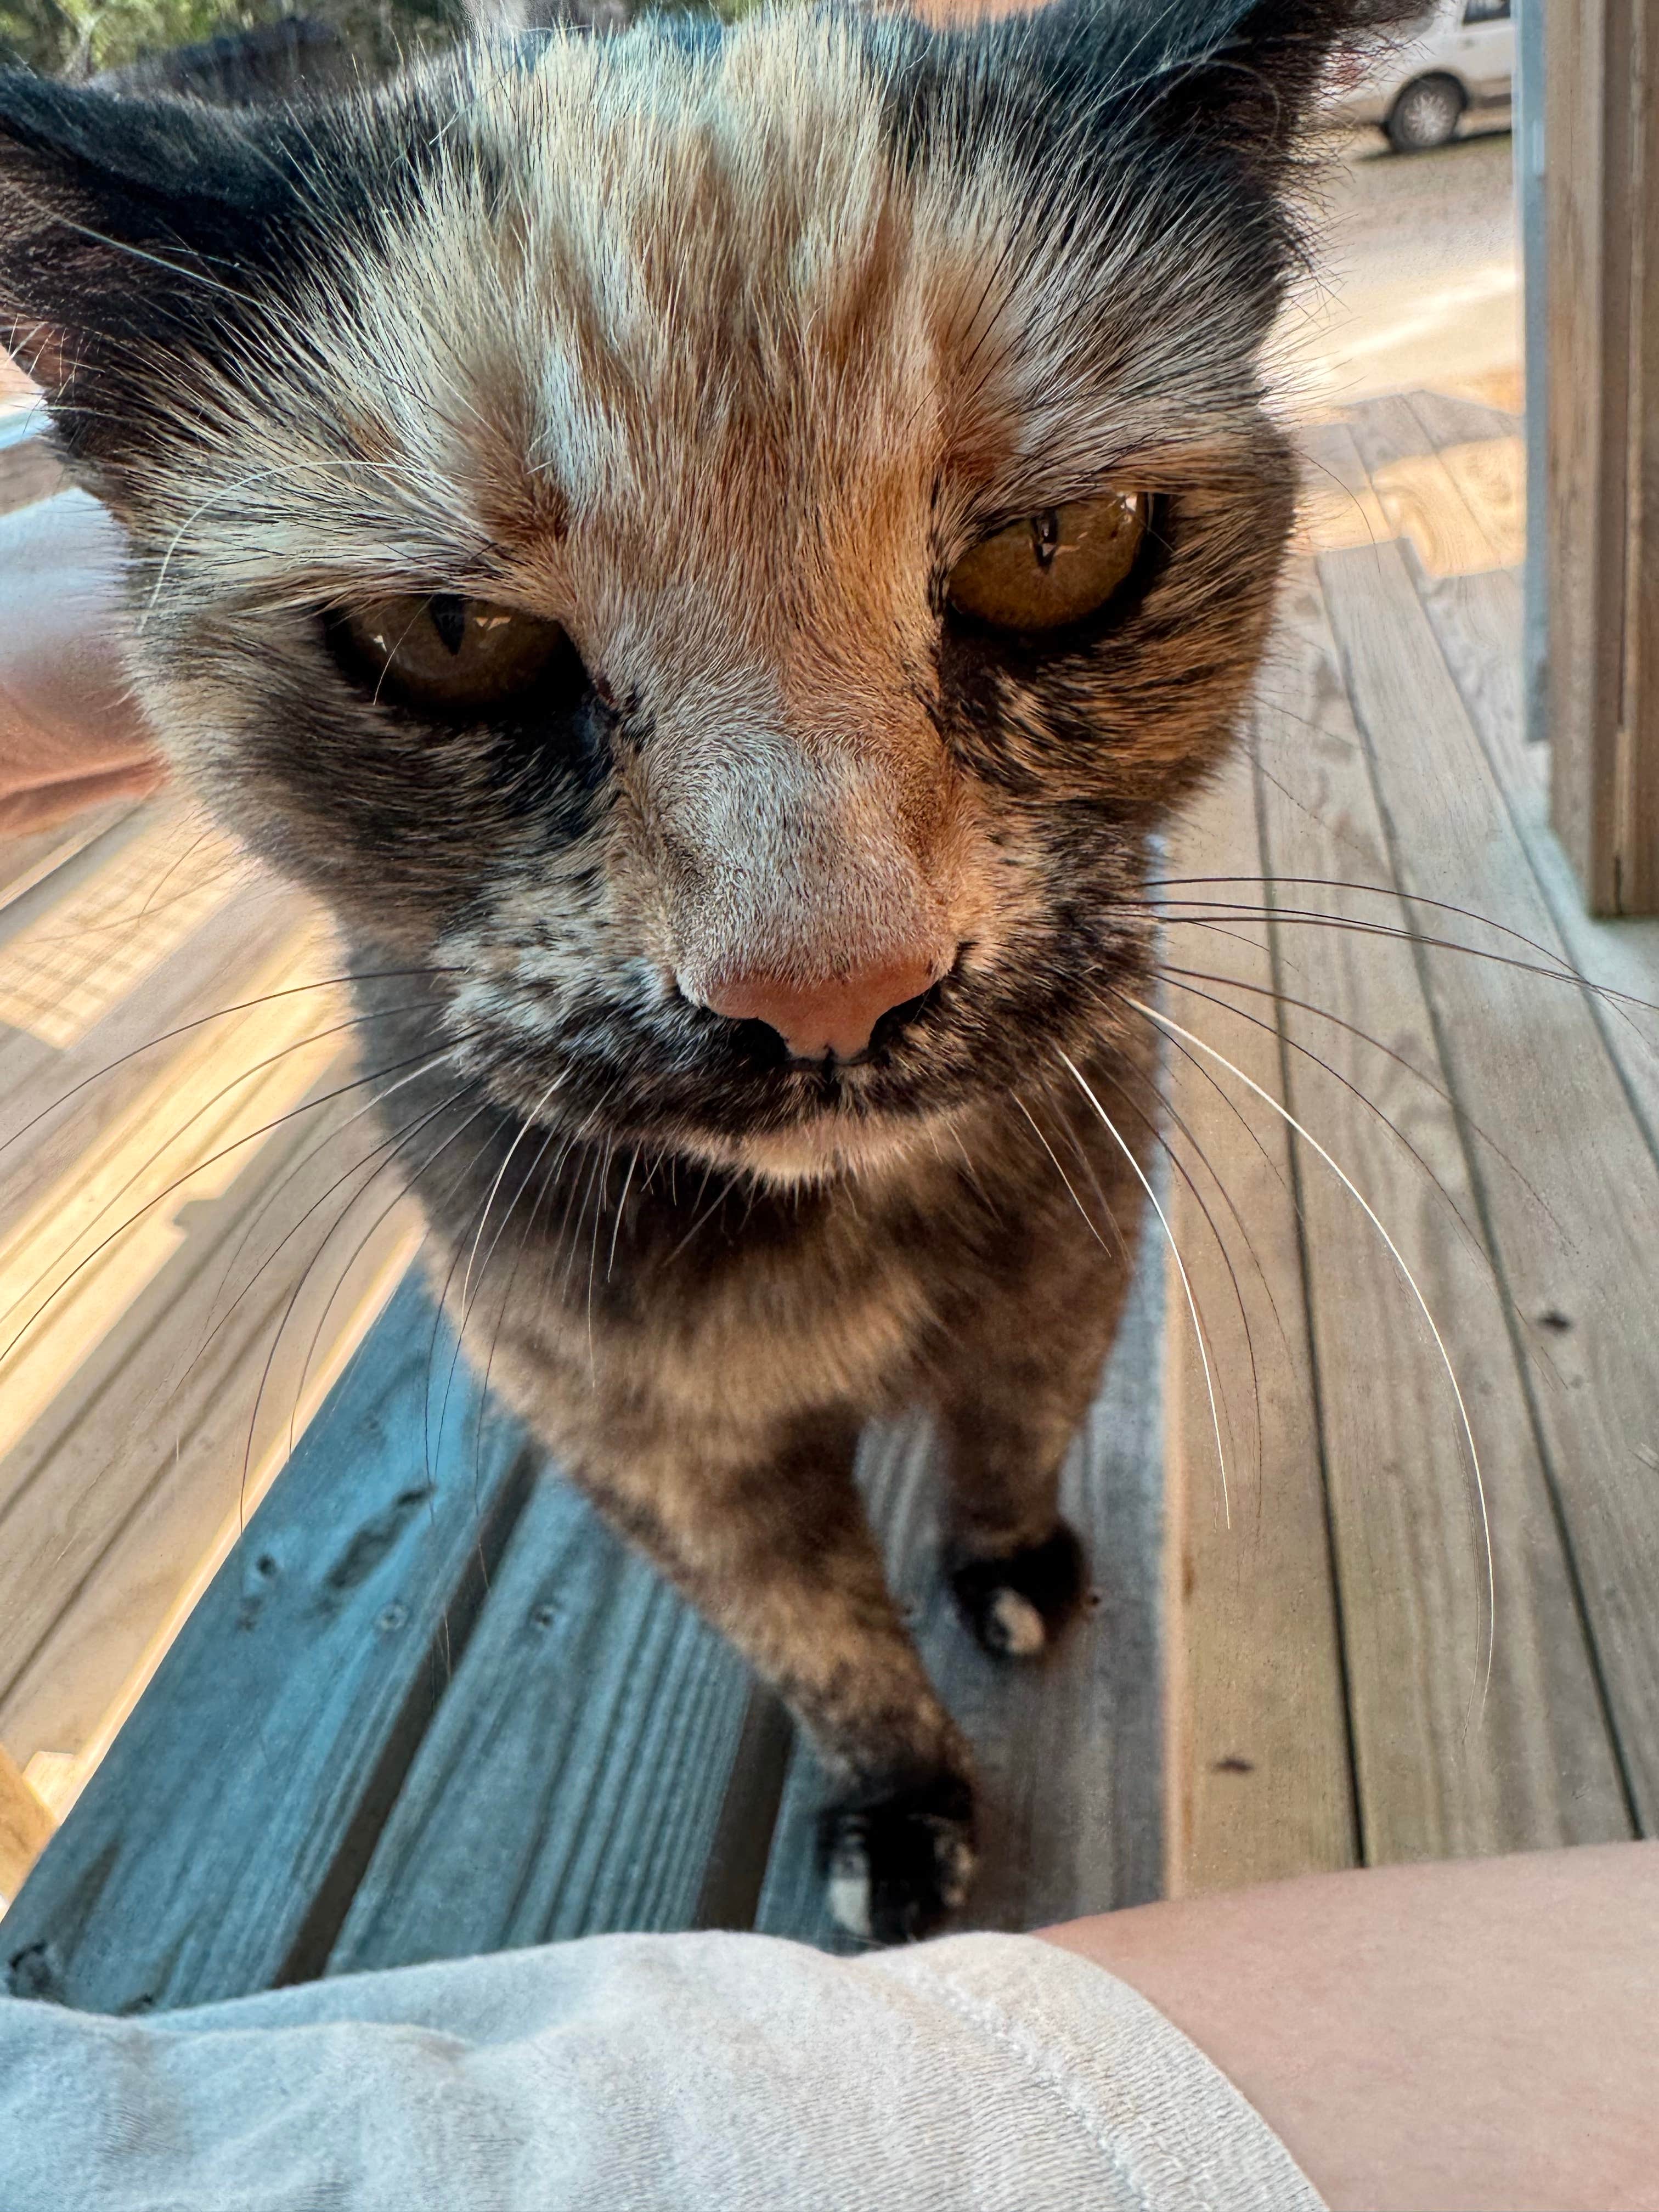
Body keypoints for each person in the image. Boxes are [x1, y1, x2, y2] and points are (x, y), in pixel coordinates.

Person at [3, 479, 1656, 2212]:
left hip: (1023, 1116)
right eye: (457, 630)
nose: (827, 961)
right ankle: (885, 1745)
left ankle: (1004, 1521)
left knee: (1044, 1340)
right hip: (546, 1185)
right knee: (688, 1469)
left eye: (1046, 543)